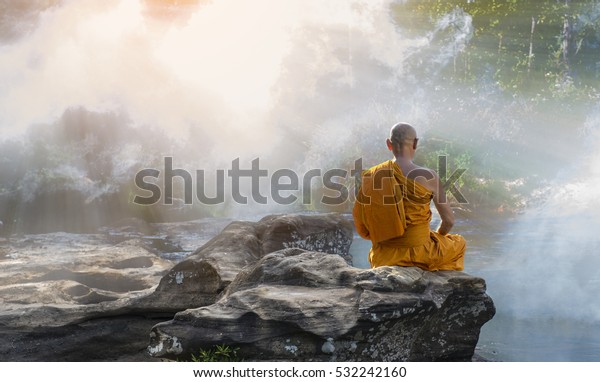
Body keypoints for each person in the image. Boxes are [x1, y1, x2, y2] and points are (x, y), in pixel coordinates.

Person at [353, 122, 466, 271]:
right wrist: (436, 237)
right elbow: (449, 221)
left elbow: (363, 225)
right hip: (420, 253)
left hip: (384, 256)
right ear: (415, 143)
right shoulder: (429, 176)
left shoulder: (372, 176)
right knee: (459, 242)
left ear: (389, 144)